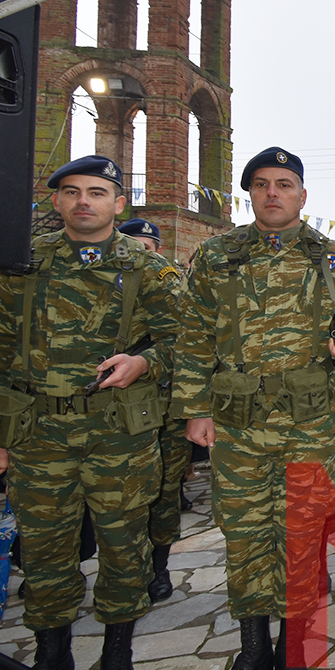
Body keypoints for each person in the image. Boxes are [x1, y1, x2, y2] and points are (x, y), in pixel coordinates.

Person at [0, 155, 179, 670]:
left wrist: (144, 363)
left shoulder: (149, 268)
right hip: (38, 434)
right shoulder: (20, 265)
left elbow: (185, 342)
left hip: (119, 433)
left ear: (119, 203)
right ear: (57, 202)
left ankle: (118, 658)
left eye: (96, 191)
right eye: (71, 191)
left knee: (121, 544)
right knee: (44, 550)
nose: (83, 200)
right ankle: (51, 661)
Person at [176, 147, 335, 670]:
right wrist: (196, 408)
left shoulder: (329, 257)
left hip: (310, 422)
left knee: (301, 538)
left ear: (303, 195)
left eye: (284, 184)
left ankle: (294, 651)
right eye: (261, 184)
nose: (272, 193)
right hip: (238, 423)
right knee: (245, 537)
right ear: (250, 195)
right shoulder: (218, 256)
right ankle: (251, 650)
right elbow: (193, 336)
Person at [117, 217, 188, 601]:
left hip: (163, 403)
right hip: (112, 410)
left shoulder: (166, 281)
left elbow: (186, 341)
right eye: (132, 244)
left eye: (147, 246)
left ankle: (158, 566)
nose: (139, 252)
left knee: (163, 489)